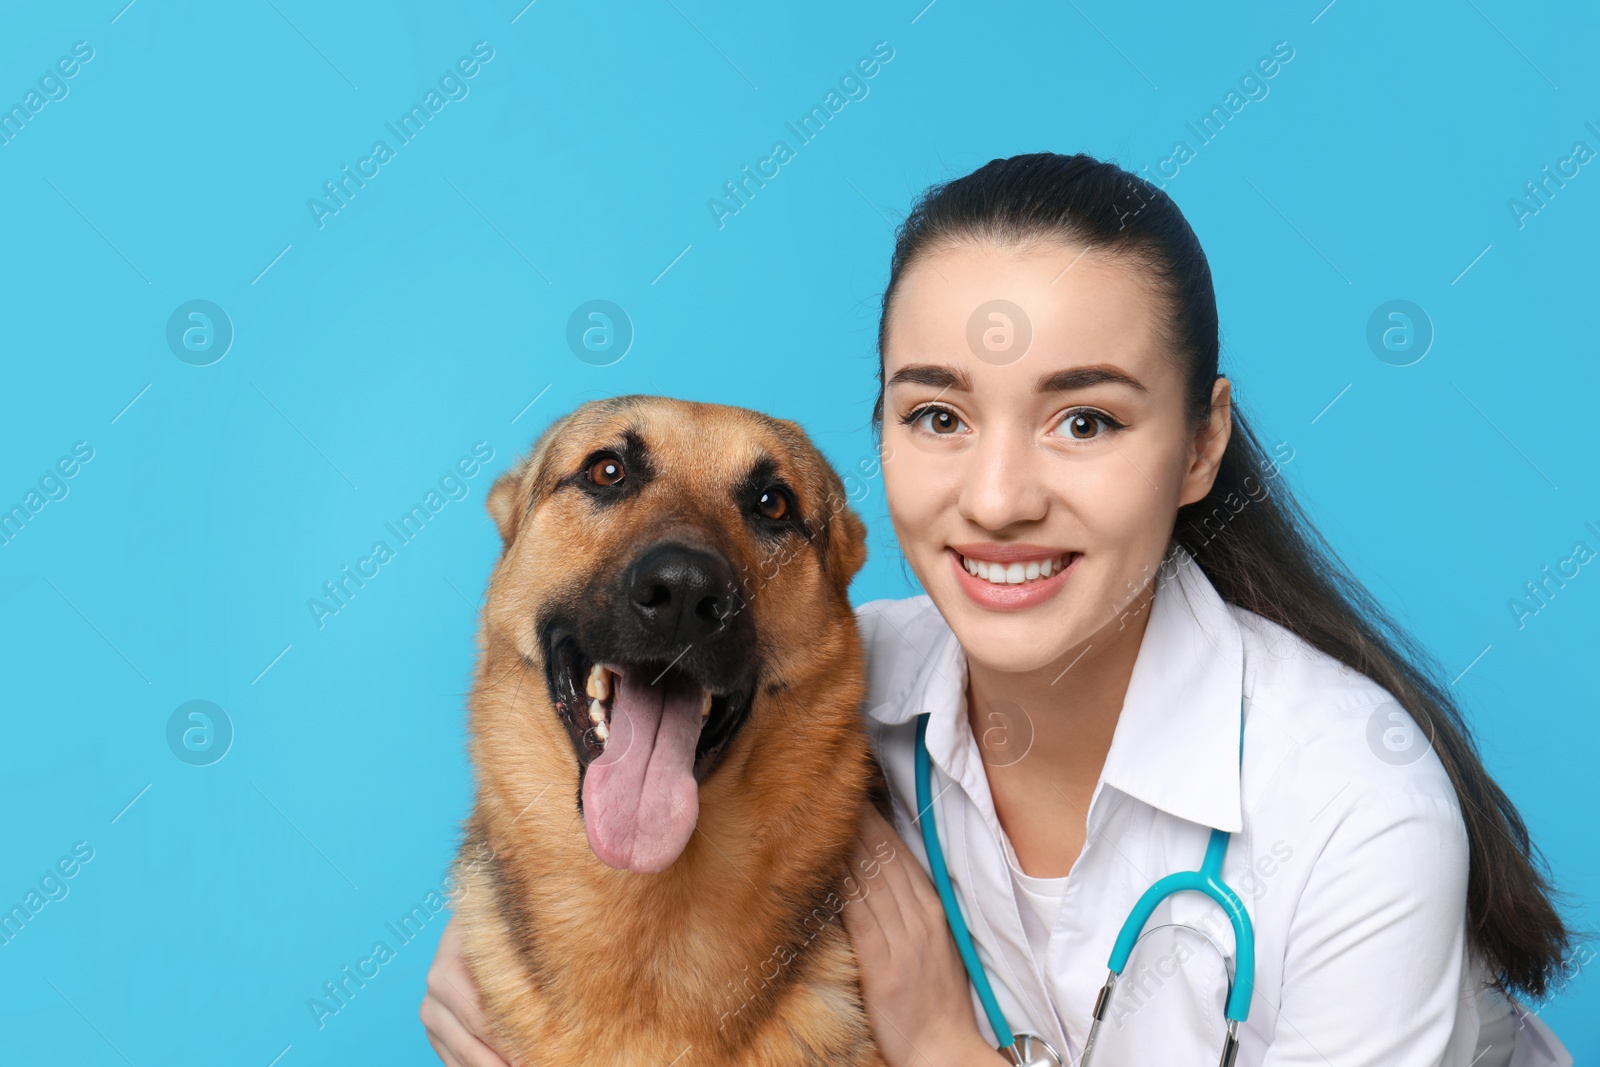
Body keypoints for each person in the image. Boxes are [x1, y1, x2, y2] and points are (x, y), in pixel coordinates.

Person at [422, 152, 1577, 1066]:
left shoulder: (1356, 811)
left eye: (1085, 420)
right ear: (880, 431)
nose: (999, 496)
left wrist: (938, 1045)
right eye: (939, 416)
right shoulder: (827, 690)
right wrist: (508, 939)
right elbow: (587, 751)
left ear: (1199, 444)